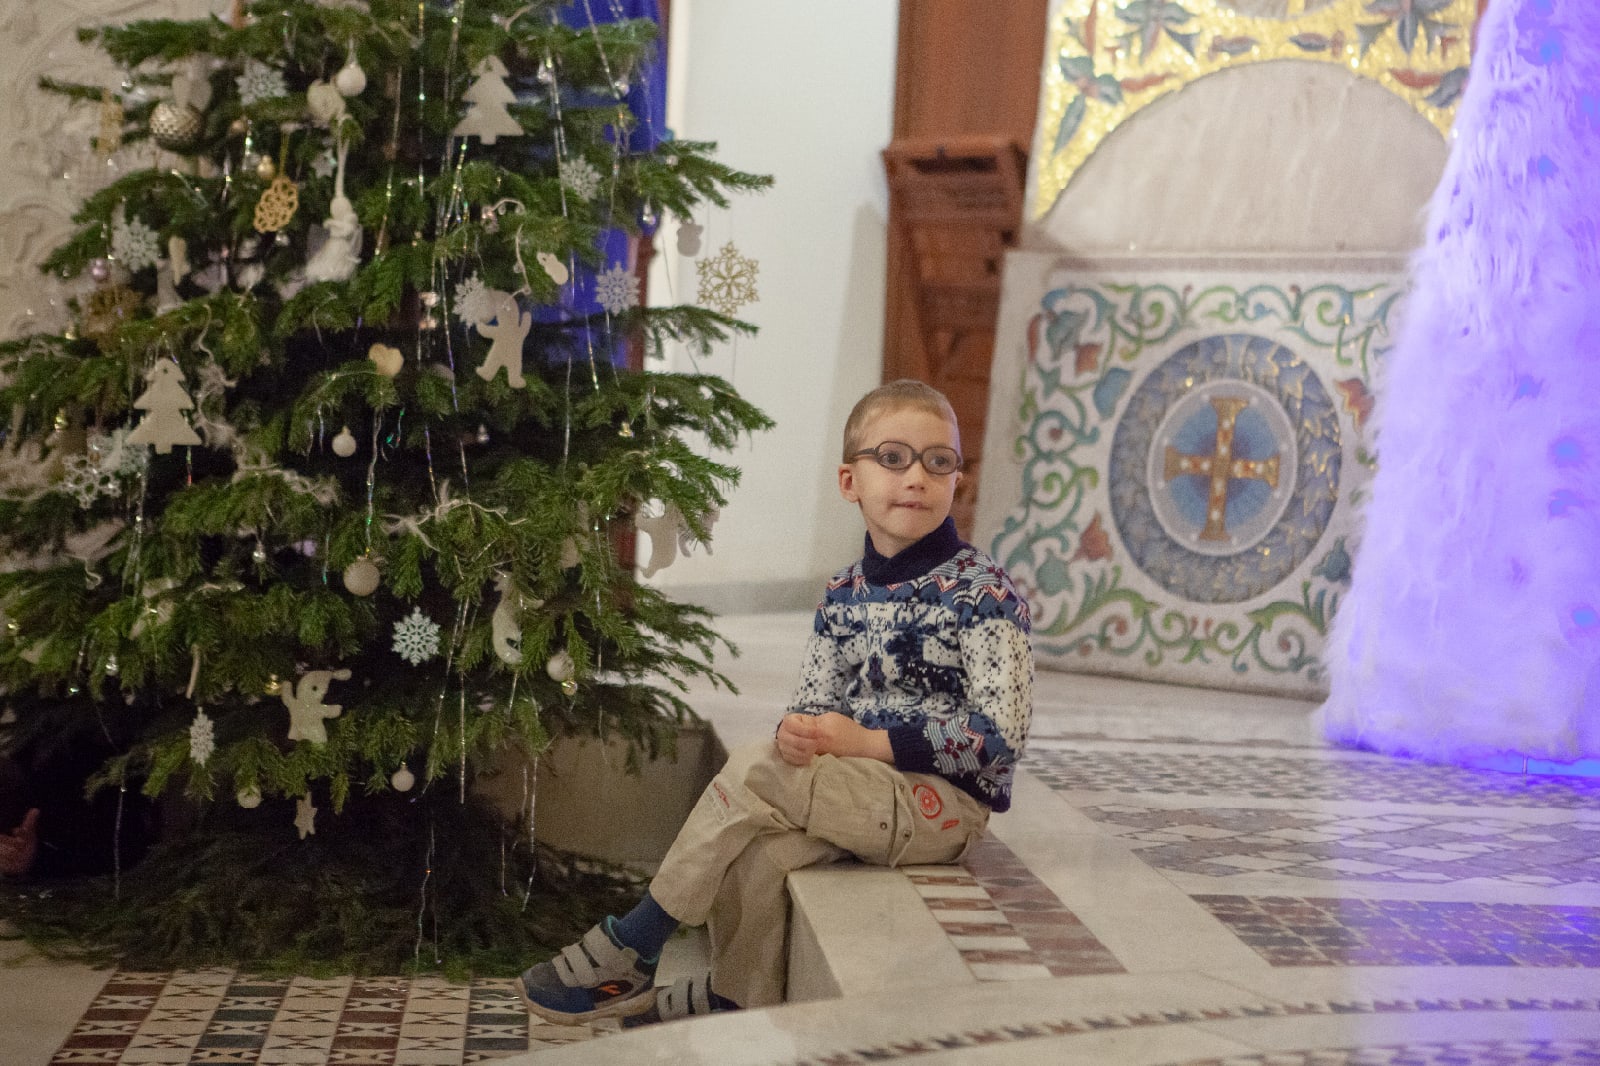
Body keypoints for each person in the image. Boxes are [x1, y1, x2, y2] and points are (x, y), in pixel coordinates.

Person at [518, 379, 1034, 1026]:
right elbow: (812, 707)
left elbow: (1002, 733)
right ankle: (739, 997)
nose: (917, 478)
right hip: (862, 789)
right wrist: (801, 733)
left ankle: (636, 942)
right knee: (761, 851)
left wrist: (866, 742)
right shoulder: (844, 593)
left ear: (957, 479)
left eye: (939, 461)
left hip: (941, 805)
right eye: (893, 457)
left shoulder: (984, 592)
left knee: (759, 769)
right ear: (849, 481)